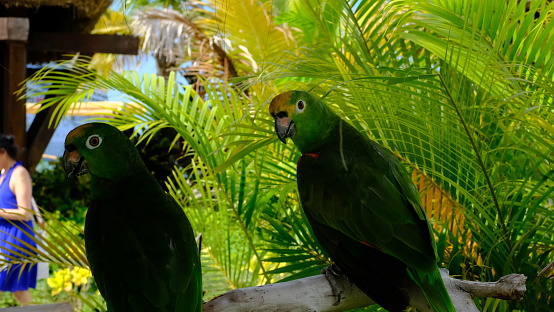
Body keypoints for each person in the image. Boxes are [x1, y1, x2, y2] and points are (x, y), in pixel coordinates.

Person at [0, 134, 37, 305]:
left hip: (16, 239)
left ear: (3, 152)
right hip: (4, 238)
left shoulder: (19, 173)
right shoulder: (3, 174)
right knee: (18, 293)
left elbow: (25, 213)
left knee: (20, 293)